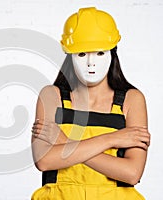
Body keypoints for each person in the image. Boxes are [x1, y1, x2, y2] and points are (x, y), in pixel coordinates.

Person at [30, 7, 150, 200]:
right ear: (70, 55)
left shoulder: (132, 100)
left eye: (100, 53)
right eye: (82, 54)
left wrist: (66, 143)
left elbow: (131, 173)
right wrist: (112, 139)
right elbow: (44, 161)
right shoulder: (51, 96)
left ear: (113, 54)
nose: (91, 63)